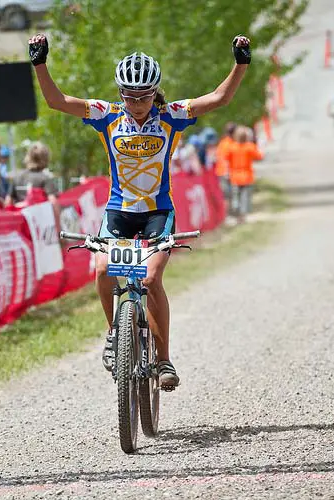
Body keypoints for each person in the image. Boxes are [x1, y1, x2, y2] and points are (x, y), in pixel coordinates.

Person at [28, 32, 251, 388]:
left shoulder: (172, 115)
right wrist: (39, 63)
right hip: (118, 209)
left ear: (155, 92)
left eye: (143, 96)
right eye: (129, 96)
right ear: (120, 94)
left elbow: (220, 98)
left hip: (158, 211)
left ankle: (164, 361)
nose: (136, 103)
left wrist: (240, 63)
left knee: (149, 279)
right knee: (102, 268)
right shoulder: (106, 115)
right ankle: (115, 335)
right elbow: (57, 101)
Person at [5, 141, 60, 221]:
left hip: (20, 221)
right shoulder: (45, 178)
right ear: (46, 158)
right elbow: (53, 203)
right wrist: (58, 228)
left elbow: (8, 202)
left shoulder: (17, 177)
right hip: (39, 222)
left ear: (28, 157)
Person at [225, 125, 264, 224]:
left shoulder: (232, 147)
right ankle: (242, 215)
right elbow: (259, 156)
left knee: (235, 197)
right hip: (247, 176)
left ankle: (236, 213)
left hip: (235, 177)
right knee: (244, 197)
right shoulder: (249, 147)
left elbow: (226, 158)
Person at [215, 122, 237, 202]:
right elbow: (224, 159)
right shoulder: (229, 143)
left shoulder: (223, 142)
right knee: (227, 196)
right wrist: (227, 172)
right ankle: (228, 213)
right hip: (226, 173)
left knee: (228, 195)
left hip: (222, 171)